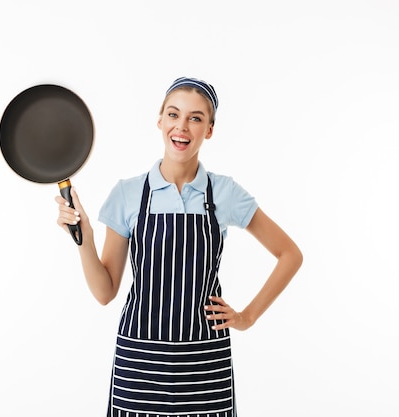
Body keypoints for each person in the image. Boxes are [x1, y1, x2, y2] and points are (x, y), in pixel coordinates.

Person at [55, 77, 303, 417]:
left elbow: (290, 254)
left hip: (204, 362)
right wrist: (84, 237)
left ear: (210, 130)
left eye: (196, 118)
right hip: (140, 362)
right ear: (160, 121)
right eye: (173, 114)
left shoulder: (224, 193)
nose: (182, 127)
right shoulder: (128, 194)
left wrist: (247, 317)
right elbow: (105, 291)